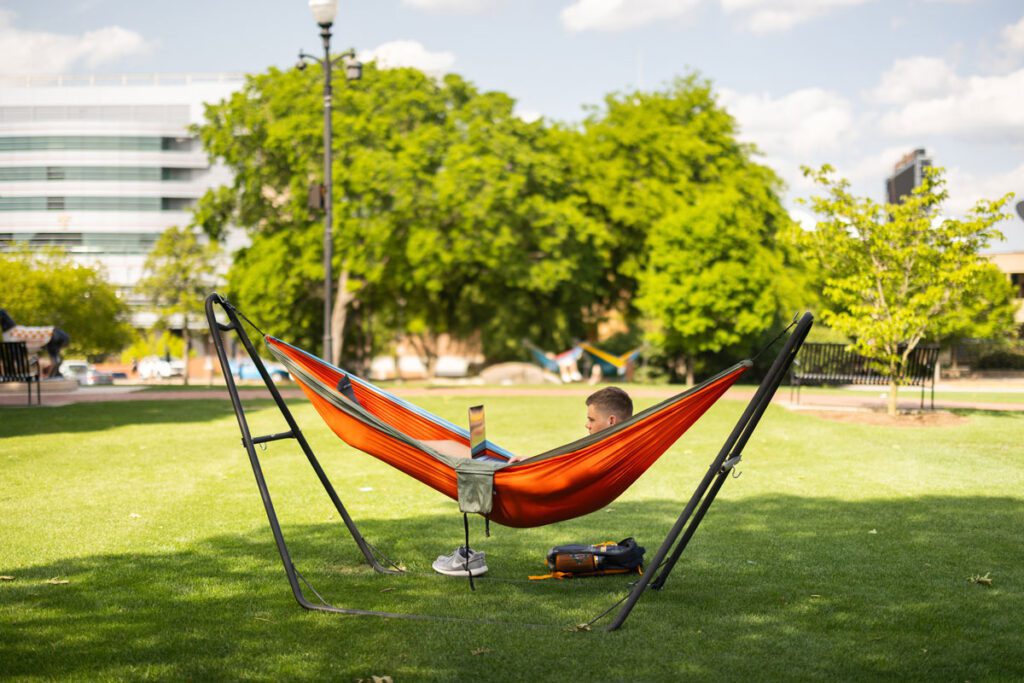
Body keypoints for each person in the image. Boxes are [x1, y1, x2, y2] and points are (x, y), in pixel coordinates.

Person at [430, 386, 634, 577]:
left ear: (611, 421)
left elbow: (560, 477)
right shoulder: (612, 449)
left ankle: (402, 439)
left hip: (517, 490)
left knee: (448, 448)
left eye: (591, 419)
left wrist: (525, 470)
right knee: (458, 448)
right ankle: (403, 440)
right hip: (524, 479)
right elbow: (562, 470)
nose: (586, 424)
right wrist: (530, 463)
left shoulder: (603, 453)